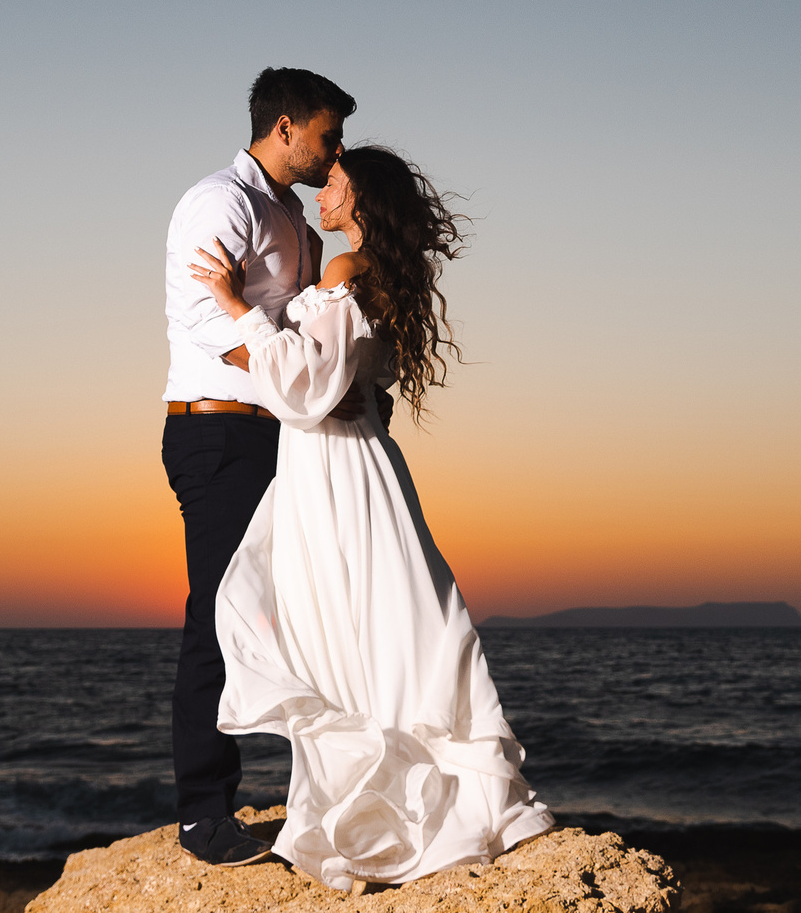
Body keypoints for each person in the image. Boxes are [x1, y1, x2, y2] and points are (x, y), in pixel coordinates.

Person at [188, 144, 554, 890]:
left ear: (362, 199)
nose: (324, 193)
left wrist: (237, 309)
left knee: (341, 629)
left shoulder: (344, 270)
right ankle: (399, 799)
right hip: (361, 461)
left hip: (331, 468)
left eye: (337, 185)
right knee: (389, 623)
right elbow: (360, 383)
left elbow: (301, 393)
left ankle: (375, 812)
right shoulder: (377, 272)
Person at [160, 66, 359, 868]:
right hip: (219, 433)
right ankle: (202, 815)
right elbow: (208, 317)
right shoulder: (220, 200)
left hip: (279, 434)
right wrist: (291, 380)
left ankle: (314, 789)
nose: (334, 149)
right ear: (284, 127)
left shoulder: (296, 222)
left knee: (296, 616)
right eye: (326, 134)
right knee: (219, 611)